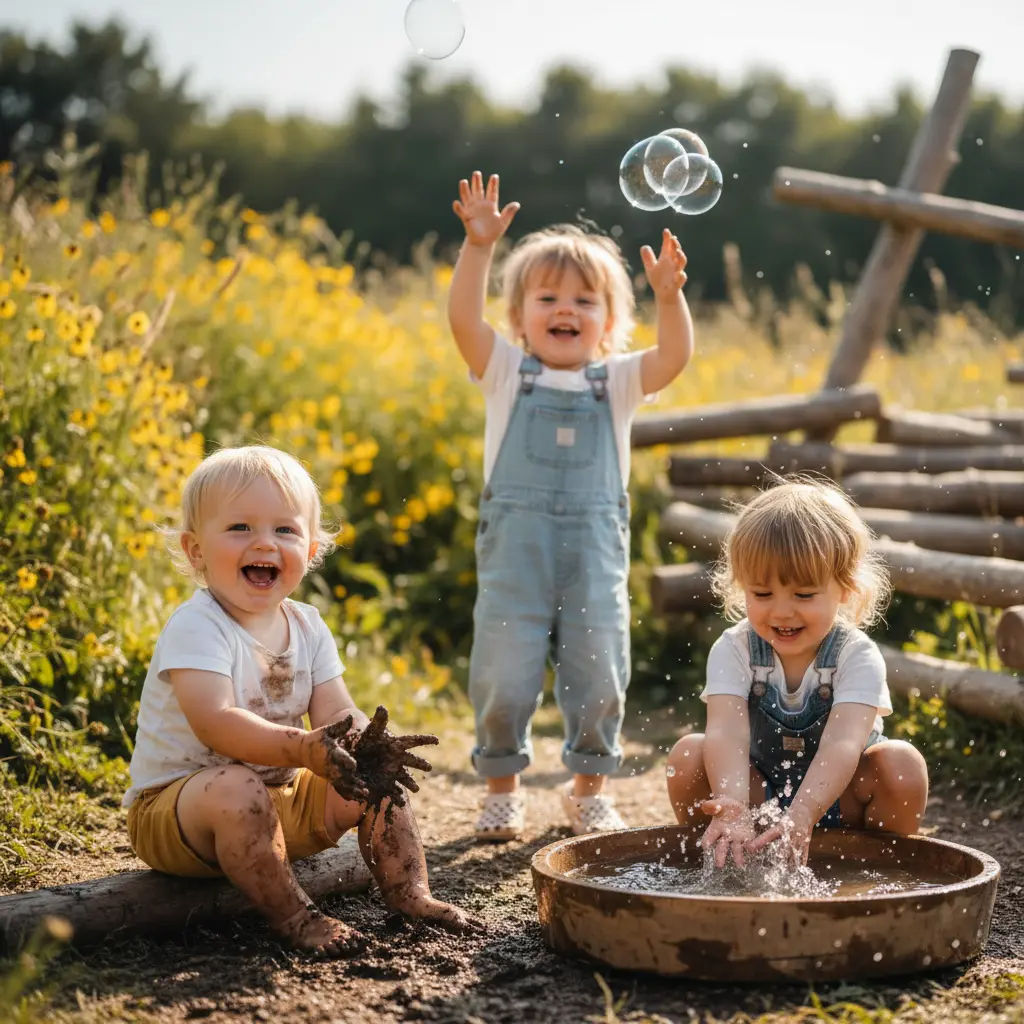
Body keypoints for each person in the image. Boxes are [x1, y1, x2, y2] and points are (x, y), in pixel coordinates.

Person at [124, 445, 469, 956]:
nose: (264, 542)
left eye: (284, 530)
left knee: (373, 776)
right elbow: (215, 723)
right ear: (195, 550)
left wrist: (363, 743)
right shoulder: (197, 625)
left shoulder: (307, 625)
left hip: (277, 802)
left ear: (309, 551)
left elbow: (334, 712)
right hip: (179, 814)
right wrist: (301, 749)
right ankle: (296, 917)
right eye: (240, 527)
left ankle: (410, 891)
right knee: (237, 788)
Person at [447, 170, 694, 841]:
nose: (565, 309)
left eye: (585, 300)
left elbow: (673, 356)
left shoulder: (614, 384)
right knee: (502, 673)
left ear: (609, 322)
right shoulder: (503, 371)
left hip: (593, 558)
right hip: (515, 560)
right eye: (548, 297)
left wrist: (670, 298)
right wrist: (477, 248)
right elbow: (461, 318)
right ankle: (502, 787)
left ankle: (590, 790)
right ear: (519, 317)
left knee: (600, 671)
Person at [665, 479, 929, 868]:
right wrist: (734, 804)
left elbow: (842, 743)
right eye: (762, 594)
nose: (782, 612)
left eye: (803, 595)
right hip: (760, 795)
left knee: (902, 766)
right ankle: (721, 854)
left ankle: (871, 867)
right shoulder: (735, 648)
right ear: (741, 588)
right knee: (688, 754)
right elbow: (727, 732)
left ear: (845, 588)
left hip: (839, 799)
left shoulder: (855, 655)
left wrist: (804, 813)